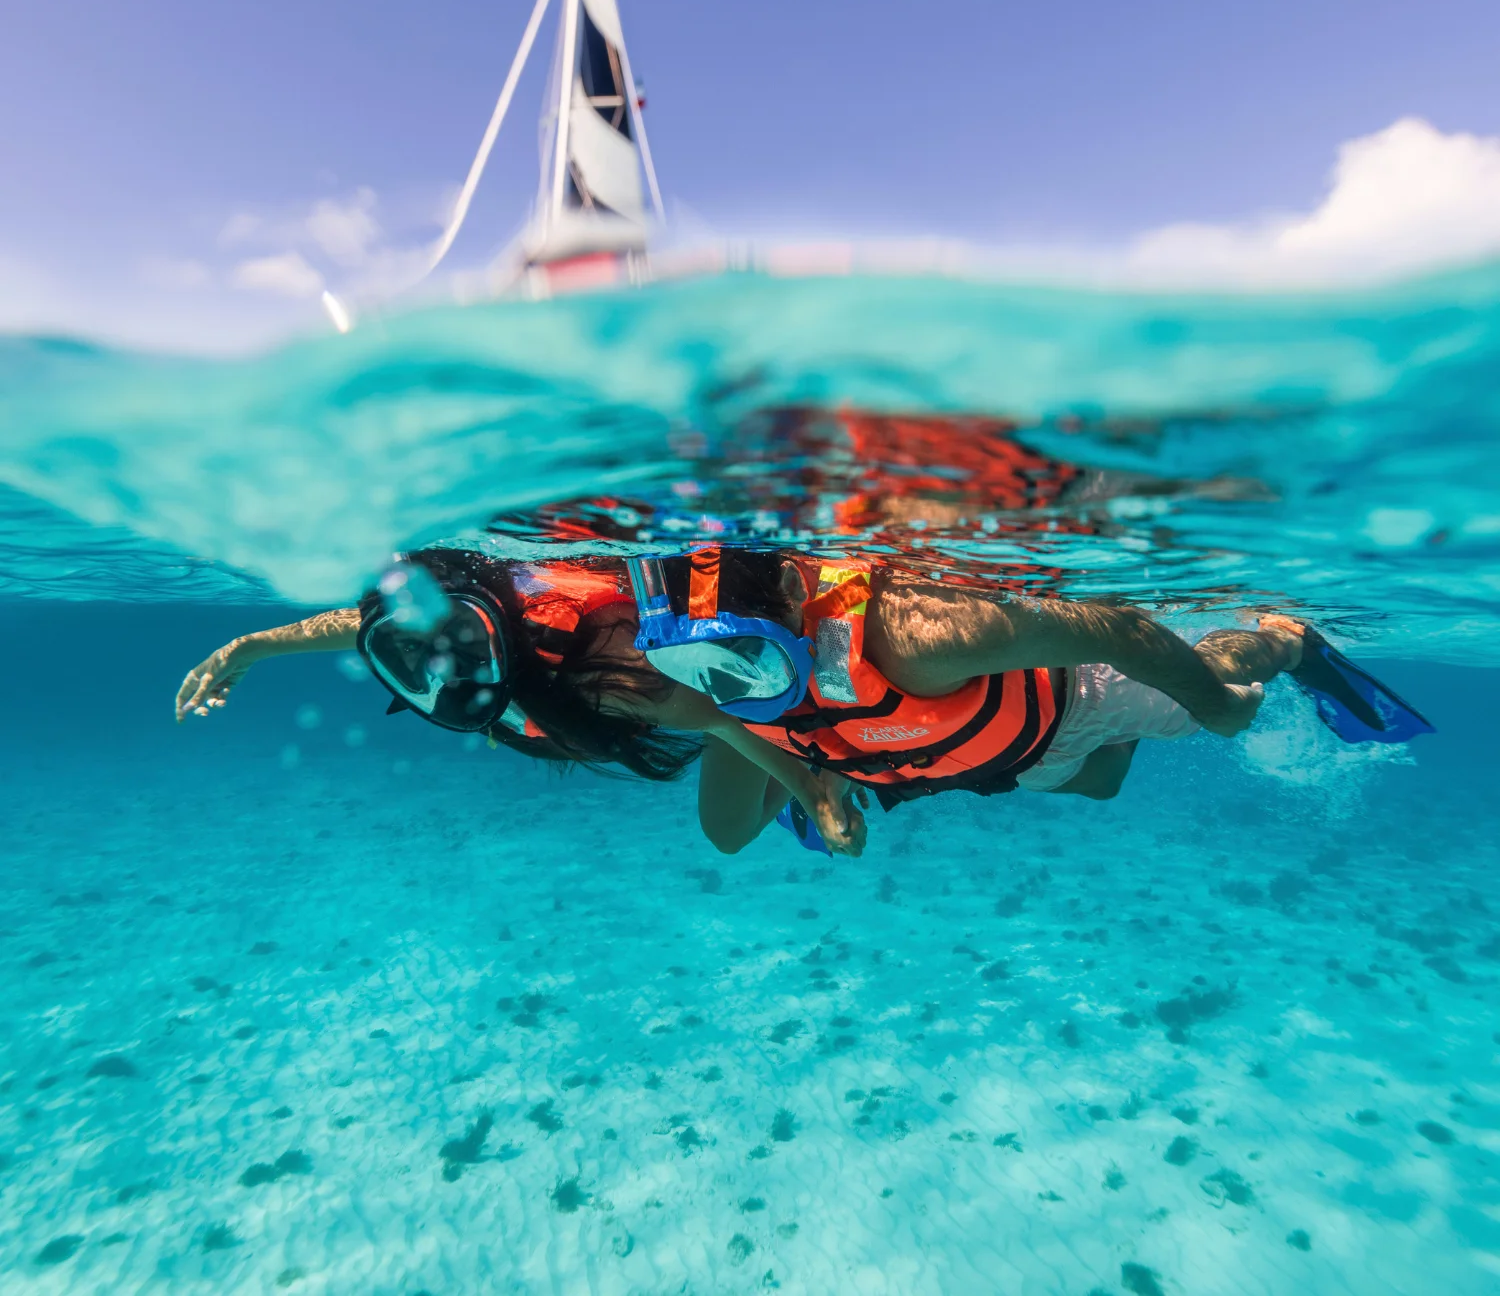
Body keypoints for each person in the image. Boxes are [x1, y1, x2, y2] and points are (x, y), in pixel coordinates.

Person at [176, 547, 1429, 858]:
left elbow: (1096, 620)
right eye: (415, 670)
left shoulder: (879, 631)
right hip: (932, 750)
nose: (437, 680)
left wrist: (1212, 697)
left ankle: (1274, 642)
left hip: (1040, 700)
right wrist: (247, 647)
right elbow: (352, 622)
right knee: (1091, 781)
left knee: (1134, 730)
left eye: (445, 654)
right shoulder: (476, 654)